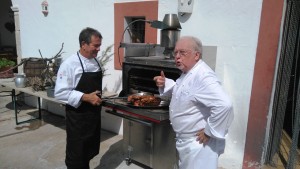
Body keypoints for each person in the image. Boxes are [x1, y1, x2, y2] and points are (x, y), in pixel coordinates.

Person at [153, 36, 234, 169]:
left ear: (196, 55)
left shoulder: (203, 76)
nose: (177, 57)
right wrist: (165, 83)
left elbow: (224, 105)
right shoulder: (188, 72)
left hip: (198, 144)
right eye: (176, 53)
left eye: (183, 53)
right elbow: (186, 93)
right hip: (188, 143)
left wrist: (209, 131)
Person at [54, 27, 103, 169]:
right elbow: (60, 92)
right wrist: (87, 97)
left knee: (89, 149)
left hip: (93, 115)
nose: (98, 49)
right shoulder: (69, 64)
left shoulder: (96, 61)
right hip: (78, 118)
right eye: (96, 45)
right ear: (83, 44)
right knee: (76, 154)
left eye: (99, 45)